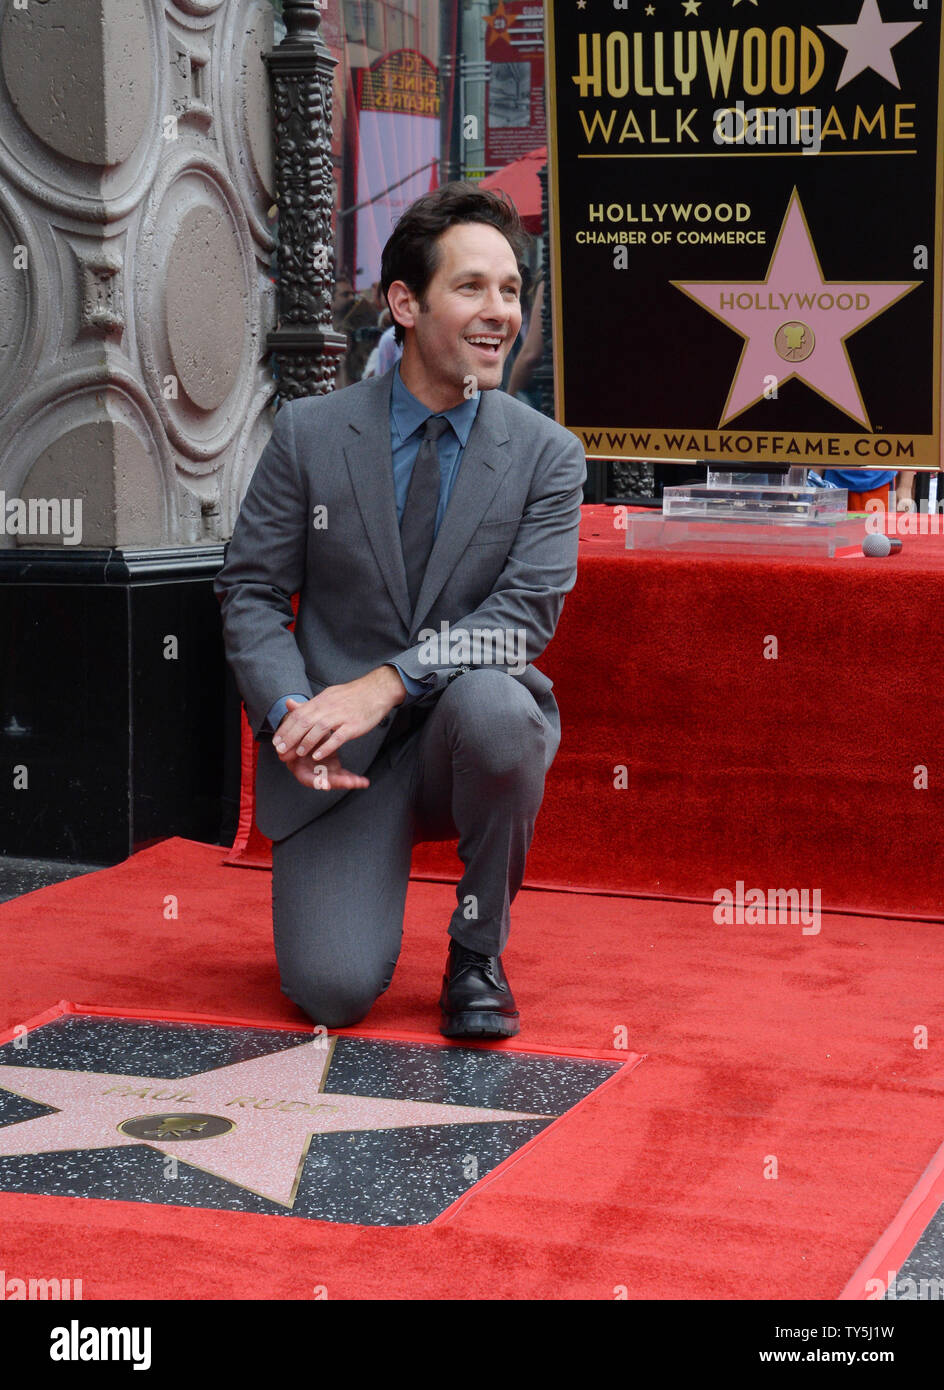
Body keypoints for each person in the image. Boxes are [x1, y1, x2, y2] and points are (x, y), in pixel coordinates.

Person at [214, 183, 587, 1039]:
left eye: (509, 289)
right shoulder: (311, 433)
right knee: (331, 992)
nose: (501, 313)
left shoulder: (546, 457)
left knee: (501, 704)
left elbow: (521, 617)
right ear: (405, 304)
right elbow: (251, 591)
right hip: (339, 754)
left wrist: (385, 683)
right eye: (471, 288)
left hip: (464, 735)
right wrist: (290, 713)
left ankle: (476, 949)